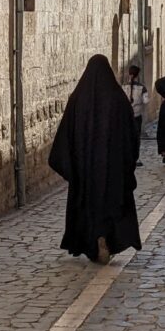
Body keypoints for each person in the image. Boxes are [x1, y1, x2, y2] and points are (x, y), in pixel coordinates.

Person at [49, 54, 142, 265]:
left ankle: (93, 240)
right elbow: (131, 136)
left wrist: (72, 166)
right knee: (111, 204)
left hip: (85, 171)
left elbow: (65, 138)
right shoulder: (118, 99)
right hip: (112, 170)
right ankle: (106, 237)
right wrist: (127, 163)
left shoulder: (77, 100)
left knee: (87, 206)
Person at [123, 64, 148, 167]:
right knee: (136, 137)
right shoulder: (142, 88)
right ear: (138, 75)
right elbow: (146, 101)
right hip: (137, 116)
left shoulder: (123, 86)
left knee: (127, 136)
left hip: (126, 116)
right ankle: (136, 158)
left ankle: (126, 156)